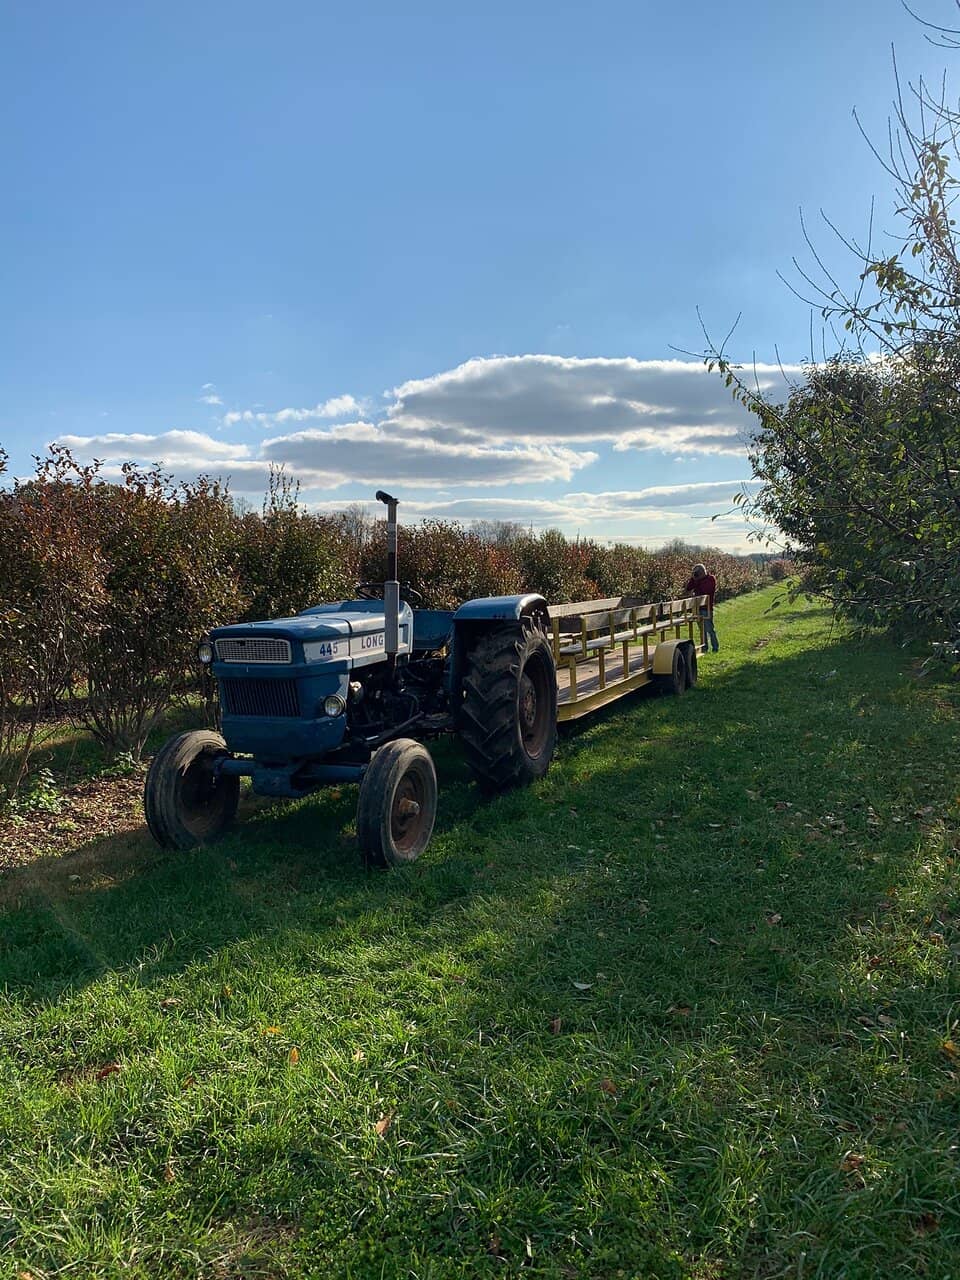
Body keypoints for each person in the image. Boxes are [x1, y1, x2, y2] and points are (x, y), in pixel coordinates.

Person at [683, 562, 719, 652]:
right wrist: (693, 578)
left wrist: (697, 581)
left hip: (707, 608)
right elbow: (688, 588)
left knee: (709, 629)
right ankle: (704, 647)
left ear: (703, 572)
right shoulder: (696, 580)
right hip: (697, 608)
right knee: (702, 630)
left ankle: (715, 647)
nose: (697, 575)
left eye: (698, 573)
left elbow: (705, 590)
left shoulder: (711, 579)